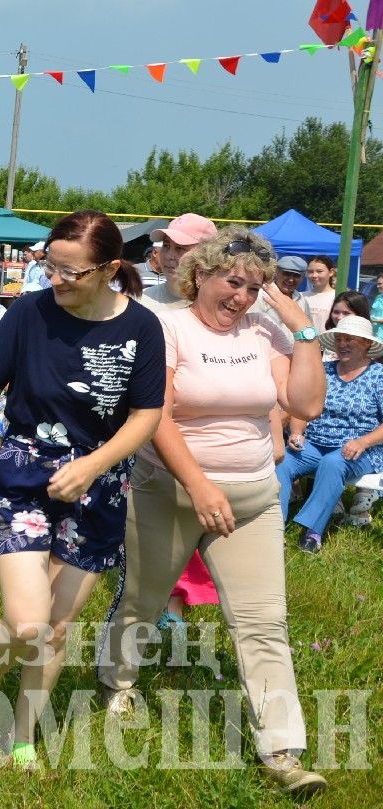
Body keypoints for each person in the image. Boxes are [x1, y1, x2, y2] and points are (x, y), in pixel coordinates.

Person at [96, 226, 328, 795]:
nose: (242, 298)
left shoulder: (266, 330)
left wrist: (298, 325)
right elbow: (156, 415)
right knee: (143, 601)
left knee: (264, 622)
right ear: (199, 275)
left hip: (252, 499)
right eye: (233, 282)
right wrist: (199, 486)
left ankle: (282, 752)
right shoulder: (166, 326)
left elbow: (306, 403)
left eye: (254, 287)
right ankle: (116, 681)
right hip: (170, 491)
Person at [0, 210, 164, 770]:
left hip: (101, 484)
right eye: (49, 267)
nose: (55, 282)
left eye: (70, 273)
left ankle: (23, 739)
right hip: (26, 473)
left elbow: (147, 416)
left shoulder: (141, 328)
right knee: (30, 620)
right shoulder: (28, 314)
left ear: (109, 268)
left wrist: (95, 465)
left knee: (57, 630)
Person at [276, 315, 383, 552]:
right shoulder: (323, 371)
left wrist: (363, 441)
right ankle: (275, 529)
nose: (342, 344)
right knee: (282, 462)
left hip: (359, 448)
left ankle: (312, 531)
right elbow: (302, 406)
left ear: (366, 344)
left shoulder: (379, 376)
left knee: (333, 463)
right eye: (339, 339)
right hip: (316, 442)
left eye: (350, 340)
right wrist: (296, 432)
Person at [139, 213, 217, 312]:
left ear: (207, 254)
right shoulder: (141, 301)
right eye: (166, 245)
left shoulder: (225, 307)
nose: (169, 256)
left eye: (180, 248)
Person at [303, 255, 336, 334]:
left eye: (319, 271)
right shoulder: (301, 296)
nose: (314, 275)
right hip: (305, 344)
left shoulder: (338, 296)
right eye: (310, 272)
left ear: (331, 272)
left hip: (329, 343)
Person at [371, 275, 383, 340]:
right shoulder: (378, 297)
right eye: (377, 284)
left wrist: (373, 320)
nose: (377, 286)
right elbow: (372, 313)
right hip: (374, 335)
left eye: (380, 284)